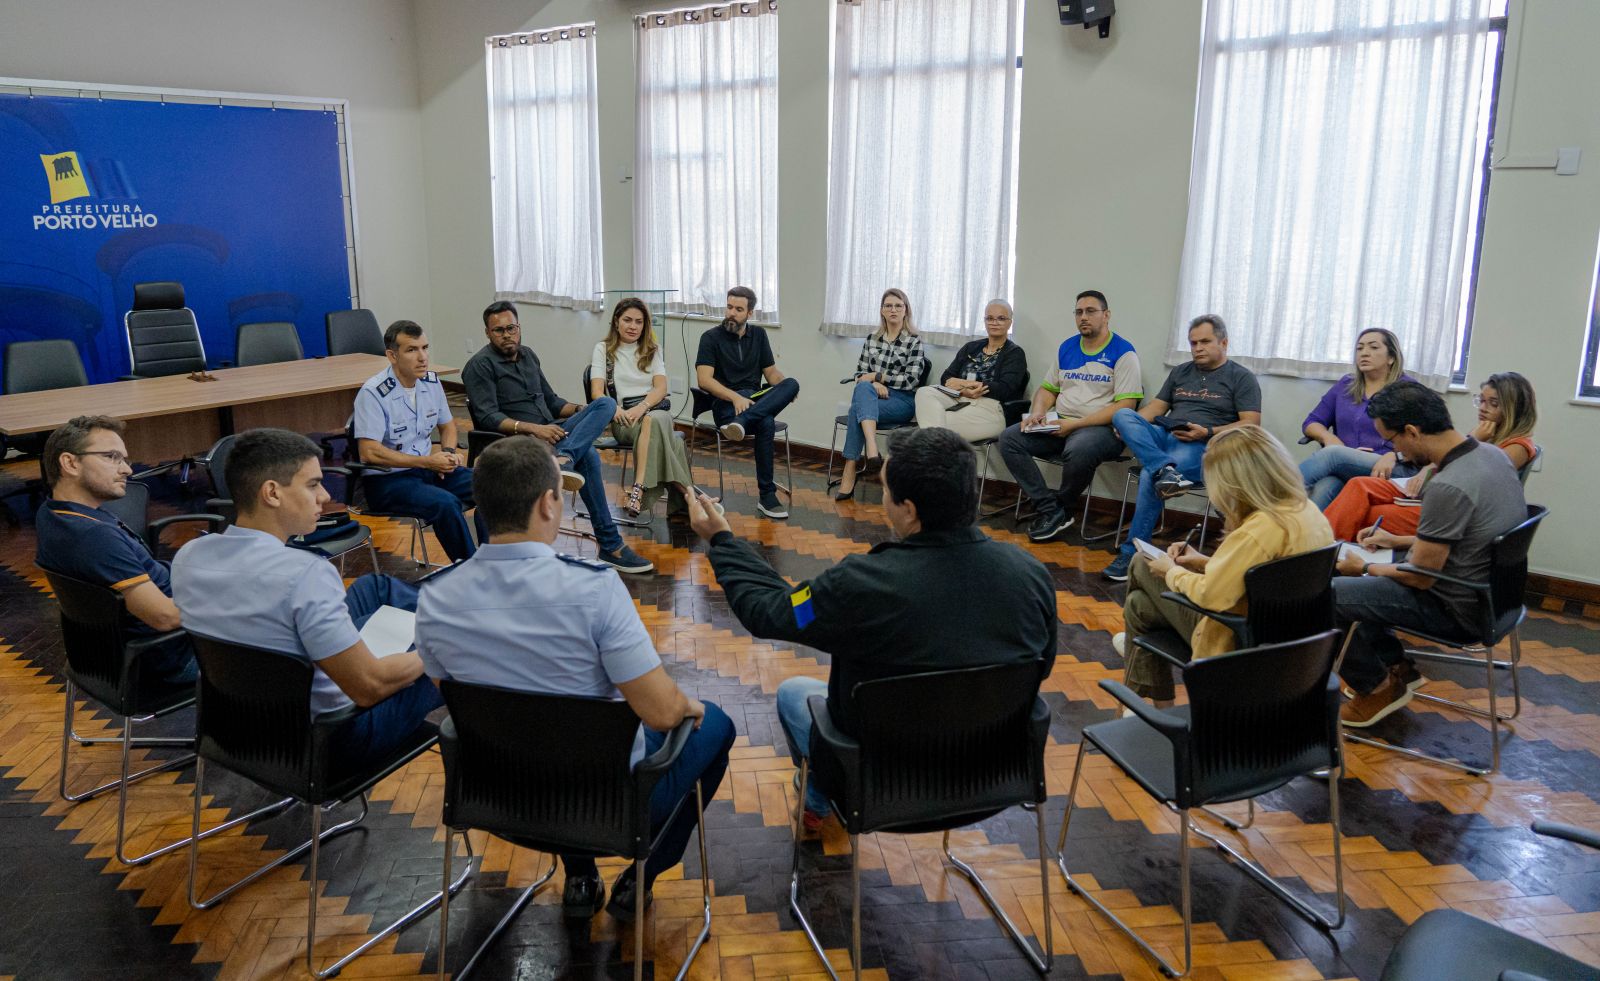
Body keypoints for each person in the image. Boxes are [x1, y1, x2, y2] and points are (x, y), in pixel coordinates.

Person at [414, 436, 734, 921]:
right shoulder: (595, 589)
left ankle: (581, 876)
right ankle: (641, 877)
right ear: (548, 503)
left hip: (497, 802)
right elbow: (661, 711)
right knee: (717, 725)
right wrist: (689, 708)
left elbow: (456, 702)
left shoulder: (435, 598)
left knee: (541, 728)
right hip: (609, 811)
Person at [688, 427, 1056, 831]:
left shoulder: (860, 584)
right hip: (992, 778)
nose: (883, 501)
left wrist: (722, 540)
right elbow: (1043, 666)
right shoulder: (1031, 576)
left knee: (795, 693)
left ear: (910, 509)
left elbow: (771, 611)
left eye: (884, 490)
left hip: (883, 789)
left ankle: (817, 798)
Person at [171, 429, 442, 774]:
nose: (326, 496)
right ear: (272, 493)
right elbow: (369, 687)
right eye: (313, 484)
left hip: (235, 730)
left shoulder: (189, 556)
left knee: (373, 587)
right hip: (328, 741)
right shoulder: (305, 574)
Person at [1332, 382, 1528, 726]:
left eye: (1392, 441)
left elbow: (1418, 577)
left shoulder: (1449, 484)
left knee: (1322, 594)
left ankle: (1376, 689)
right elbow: (1469, 539)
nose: (1396, 449)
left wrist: (1363, 567)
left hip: (1455, 609)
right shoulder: (1492, 456)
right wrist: (1397, 542)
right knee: (1358, 579)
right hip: (1493, 599)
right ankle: (1398, 669)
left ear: (1412, 431)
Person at [1117, 426, 1333, 706]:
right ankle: (1154, 699)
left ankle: (1138, 693)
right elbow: (1262, 576)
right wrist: (1203, 562)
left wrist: (1172, 572)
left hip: (1235, 638)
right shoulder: (1306, 511)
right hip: (1288, 638)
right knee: (1138, 605)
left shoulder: (1257, 530)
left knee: (1140, 562)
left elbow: (1212, 596)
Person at [464, 301, 654, 573]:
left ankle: (566, 456)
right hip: (518, 442)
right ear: (487, 333)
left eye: (511, 328)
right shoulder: (480, 365)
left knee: (605, 404)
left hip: (553, 432)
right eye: (499, 330)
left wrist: (582, 411)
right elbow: (487, 417)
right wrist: (534, 429)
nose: (507, 335)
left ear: (519, 328)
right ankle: (610, 545)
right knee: (587, 453)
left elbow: (553, 403)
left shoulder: (528, 355)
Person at [34, 415, 194, 683]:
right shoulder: (93, 538)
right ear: (70, 463)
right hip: (168, 657)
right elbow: (164, 617)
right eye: (112, 457)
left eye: (124, 459)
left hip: (106, 656)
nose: (127, 470)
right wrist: (223, 601)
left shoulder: (52, 513)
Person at [1103, 314, 1262, 583]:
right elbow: (1155, 409)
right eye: (1192, 343)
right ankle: (1165, 468)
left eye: (1204, 341)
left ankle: (1131, 553)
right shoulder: (1180, 372)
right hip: (1165, 436)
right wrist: (1133, 426)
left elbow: (1251, 425)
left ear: (1224, 342)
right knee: (1122, 415)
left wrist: (1208, 431)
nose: (1197, 348)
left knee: (1148, 476)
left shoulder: (1241, 377)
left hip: (1202, 446)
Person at [1323, 372, 1538, 542]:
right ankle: (1318, 550)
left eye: (1493, 404)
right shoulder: (1488, 437)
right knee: (1358, 485)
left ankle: (1321, 557)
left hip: (1447, 507)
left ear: (1513, 409)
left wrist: (1475, 437)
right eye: (1481, 401)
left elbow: (1470, 474)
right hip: (1426, 485)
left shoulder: (1516, 446)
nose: (1483, 409)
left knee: (1366, 514)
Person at [998, 290, 1143, 542]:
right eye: (1078, 312)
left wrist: (1075, 424)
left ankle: (1064, 505)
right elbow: (1047, 389)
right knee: (1009, 438)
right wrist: (1039, 412)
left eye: (1090, 311)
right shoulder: (1066, 347)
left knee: (1079, 447)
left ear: (1106, 315)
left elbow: (1126, 405)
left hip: (1101, 429)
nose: (1083, 317)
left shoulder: (1124, 352)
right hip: (1060, 422)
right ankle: (1051, 509)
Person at [352, 320, 486, 564]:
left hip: (429, 470)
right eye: (412, 350)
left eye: (425, 348)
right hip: (388, 481)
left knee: (490, 485)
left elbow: (447, 426)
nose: (422, 357)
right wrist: (427, 462)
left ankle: (494, 560)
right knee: (446, 504)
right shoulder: (373, 393)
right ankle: (471, 571)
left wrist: (448, 452)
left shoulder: (431, 383)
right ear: (392, 356)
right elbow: (369, 453)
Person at [695, 286, 801, 519]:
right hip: (725, 404)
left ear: (750, 313)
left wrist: (781, 387)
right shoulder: (710, 338)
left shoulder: (759, 336)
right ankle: (767, 495)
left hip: (753, 401)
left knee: (792, 383)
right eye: (729, 307)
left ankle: (743, 422)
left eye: (739, 309)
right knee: (766, 423)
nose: (732, 313)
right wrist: (734, 398)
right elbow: (703, 380)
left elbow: (771, 373)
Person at [587, 298, 694, 517]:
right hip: (624, 419)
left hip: (654, 411)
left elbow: (661, 387)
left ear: (645, 325)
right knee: (669, 439)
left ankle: (639, 489)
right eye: (627, 320)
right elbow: (597, 392)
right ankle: (691, 497)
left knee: (652, 420)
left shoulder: (653, 349)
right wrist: (616, 410)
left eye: (639, 321)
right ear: (616, 321)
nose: (633, 326)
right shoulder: (603, 349)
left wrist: (643, 407)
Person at [1298, 328, 1412, 507]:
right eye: (1359, 348)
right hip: (1343, 464)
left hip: (1388, 464)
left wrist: (1395, 455)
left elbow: (1425, 438)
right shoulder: (1346, 384)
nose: (1364, 353)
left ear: (1391, 357)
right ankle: (1303, 533)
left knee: (1332, 456)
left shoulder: (1408, 390)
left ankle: (1273, 494)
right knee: (1323, 490)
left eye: (1373, 347)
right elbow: (1311, 423)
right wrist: (1330, 438)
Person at [832, 288, 927, 501]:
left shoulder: (914, 341)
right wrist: (872, 383)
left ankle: (851, 467)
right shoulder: (872, 339)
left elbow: (911, 380)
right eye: (888, 306)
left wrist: (877, 377)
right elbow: (859, 374)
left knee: (857, 408)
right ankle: (872, 450)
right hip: (872, 397)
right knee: (862, 391)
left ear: (906, 311)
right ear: (882, 311)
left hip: (902, 401)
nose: (893, 310)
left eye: (898, 306)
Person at [913, 299, 1029, 443]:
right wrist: (964, 391)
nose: (994, 322)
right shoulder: (971, 347)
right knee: (924, 392)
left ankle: (935, 458)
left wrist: (964, 383)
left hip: (990, 409)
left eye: (1001, 318)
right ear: (984, 321)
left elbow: (1005, 389)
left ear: (1010, 322)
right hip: (959, 398)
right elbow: (946, 378)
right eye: (990, 318)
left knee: (933, 424)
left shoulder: (1014, 353)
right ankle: (938, 456)